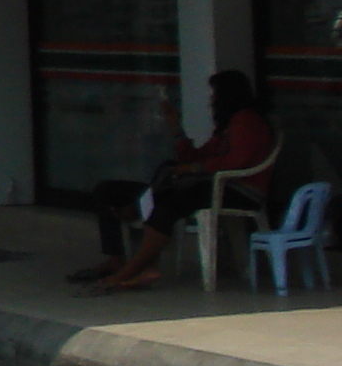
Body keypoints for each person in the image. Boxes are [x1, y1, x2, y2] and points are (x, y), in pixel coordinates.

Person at [75, 70, 274, 291]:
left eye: (215, 93)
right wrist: (176, 128)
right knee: (110, 190)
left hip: (236, 190)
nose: (211, 99)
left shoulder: (246, 120)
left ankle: (133, 268)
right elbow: (194, 156)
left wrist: (196, 168)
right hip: (209, 185)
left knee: (167, 202)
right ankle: (118, 255)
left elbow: (237, 160)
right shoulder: (227, 127)